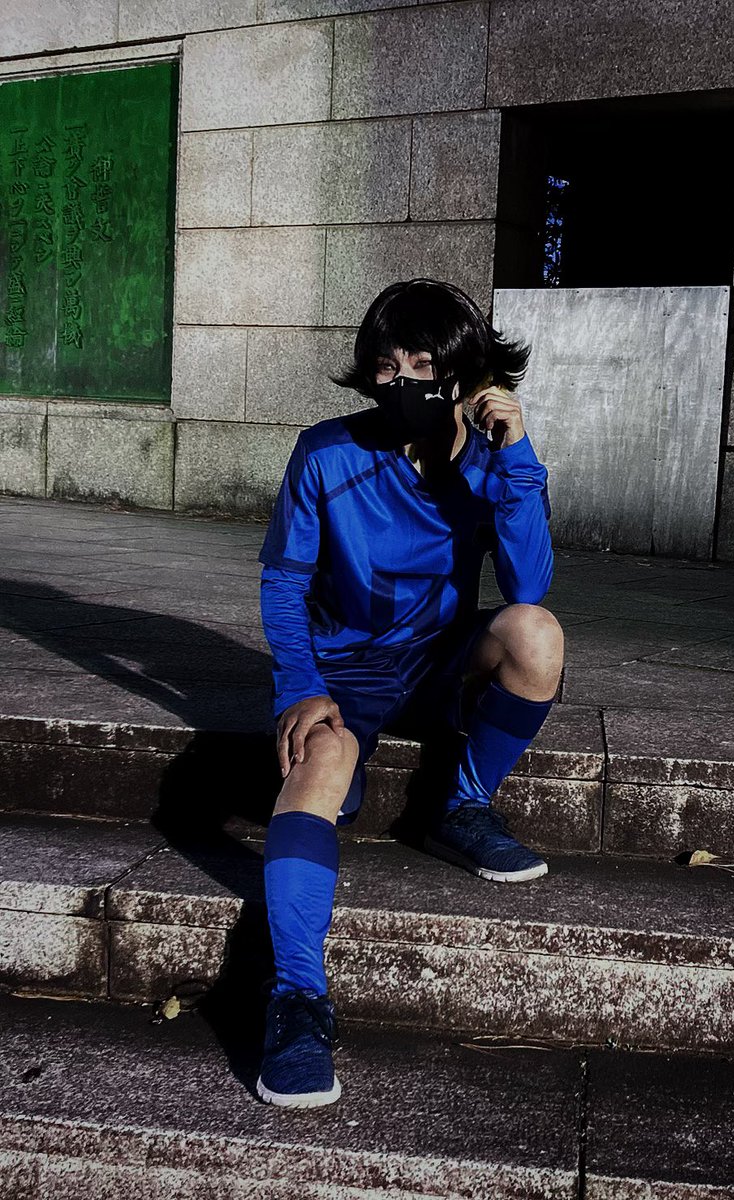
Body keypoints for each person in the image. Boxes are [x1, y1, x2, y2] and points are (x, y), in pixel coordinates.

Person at [255, 277, 564, 1108]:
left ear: (466, 376)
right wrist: (301, 687)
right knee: (320, 768)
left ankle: (461, 807)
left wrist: (517, 459)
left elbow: (529, 584)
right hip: (346, 671)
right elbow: (283, 582)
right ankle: (296, 1001)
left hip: (438, 660)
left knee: (536, 635)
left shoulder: (491, 459)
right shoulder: (326, 452)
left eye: (423, 366)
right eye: (387, 367)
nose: (402, 383)